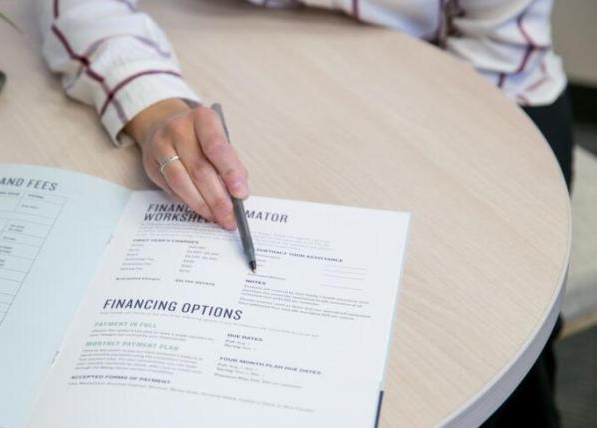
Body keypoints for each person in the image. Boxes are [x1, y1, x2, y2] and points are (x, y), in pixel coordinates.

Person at [39, 1, 573, 426]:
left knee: (482, 347)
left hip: (474, 99)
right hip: (241, 67)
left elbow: (493, 55)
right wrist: (155, 105)